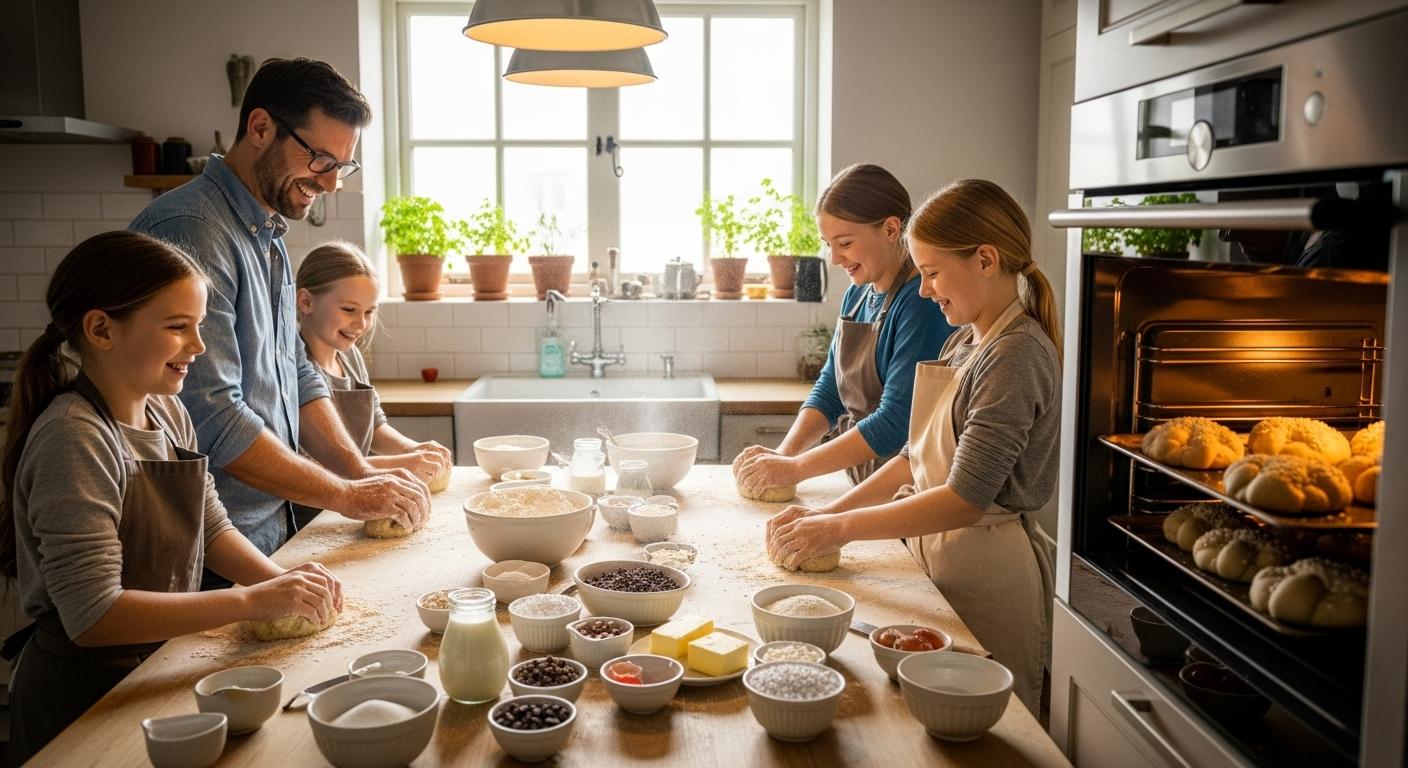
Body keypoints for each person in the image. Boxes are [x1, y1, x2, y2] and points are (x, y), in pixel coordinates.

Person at [0, 232, 343, 765]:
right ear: (100, 329)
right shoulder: (75, 438)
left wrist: (277, 582)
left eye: (200, 325)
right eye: (178, 327)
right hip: (85, 694)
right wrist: (250, 603)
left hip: (156, 666)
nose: (199, 346)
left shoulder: (166, 412)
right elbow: (94, 615)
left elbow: (209, 528)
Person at [766, 179, 1061, 712]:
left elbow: (964, 498)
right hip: (939, 556)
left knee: (987, 736)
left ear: (986, 259)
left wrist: (838, 528)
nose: (924, 290)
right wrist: (828, 513)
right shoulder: (967, 339)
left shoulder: (1015, 356)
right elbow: (912, 458)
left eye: (931, 272)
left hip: (987, 571)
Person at [129, 58, 428, 559]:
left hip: (272, 525)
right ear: (261, 127)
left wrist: (358, 471)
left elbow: (298, 373)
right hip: (212, 544)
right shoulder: (192, 231)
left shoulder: (266, 233)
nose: (331, 183)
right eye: (321, 160)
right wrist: (343, 493)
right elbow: (214, 417)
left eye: (342, 166)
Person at [734, 164, 953, 494]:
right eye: (828, 244)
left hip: (902, 489)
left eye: (845, 243)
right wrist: (784, 454)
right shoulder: (857, 294)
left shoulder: (921, 305)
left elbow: (896, 422)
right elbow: (830, 390)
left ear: (892, 229)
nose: (835, 258)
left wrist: (794, 469)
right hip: (858, 478)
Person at [291, 241, 452, 527]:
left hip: (355, 507)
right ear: (306, 302)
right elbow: (304, 469)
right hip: (310, 520)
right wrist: (399, 465)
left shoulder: (350, 357)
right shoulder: (291, 370)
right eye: (349, 309)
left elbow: (375, 427)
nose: (361, 324)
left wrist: (412, 450)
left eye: (369, 312)